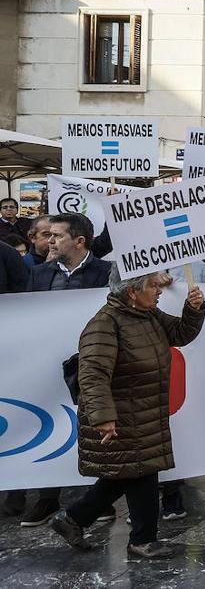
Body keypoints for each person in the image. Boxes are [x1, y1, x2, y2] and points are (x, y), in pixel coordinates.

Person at [47, 266, 205, 559]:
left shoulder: (147, 315)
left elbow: (181, 333)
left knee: (127, 472)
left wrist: (193, 309)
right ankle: (142, 540)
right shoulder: (105, 324)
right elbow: (92, 375)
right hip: (120, 416)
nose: (159, 290)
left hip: (142, 412)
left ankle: (71, 520)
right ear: (132, 291)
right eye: (153, 285)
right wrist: (103, 417)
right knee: (140, 472)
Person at [10, 213, 116, 526]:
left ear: (79, 241)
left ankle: (97, 500)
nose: (50, 241)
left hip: (93, 364)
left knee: (92, 430)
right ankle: (47, 498)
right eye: (49, 235)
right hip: (49, 364)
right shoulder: (40, 274)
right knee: (50, 426)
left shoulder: (107, 273)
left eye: (56, 236)